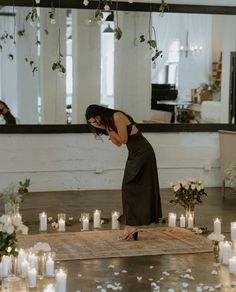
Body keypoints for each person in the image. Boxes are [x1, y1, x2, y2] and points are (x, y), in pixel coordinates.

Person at [85, 104, 162, 241]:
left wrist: (108, 128)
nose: (94, 124)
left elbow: (124, 139)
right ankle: (132, 226)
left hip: (142, 152)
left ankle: (131, 226)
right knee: (130, 188)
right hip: (135, 153)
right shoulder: (109, 123)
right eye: (91, 123)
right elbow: (118, 144)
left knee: (130, 187)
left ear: (99, 114)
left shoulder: (117, 116)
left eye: (94, 120)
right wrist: (106, 129)